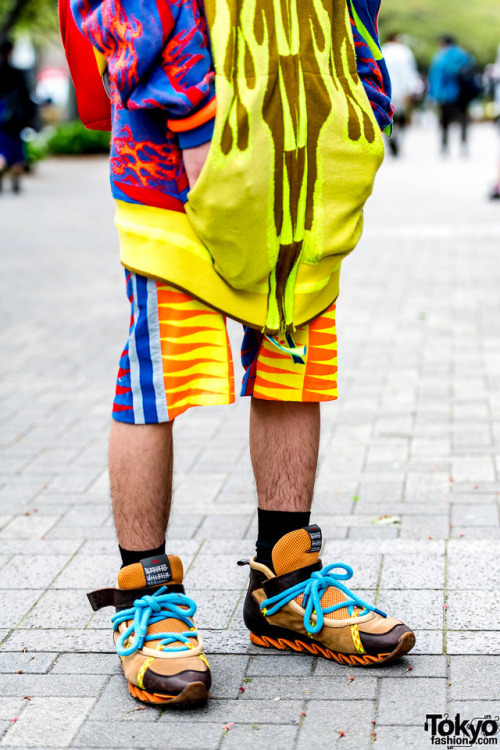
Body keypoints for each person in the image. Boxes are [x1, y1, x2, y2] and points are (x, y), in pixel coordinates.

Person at [72, 0, 415, 708]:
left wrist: (360, 90)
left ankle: (285, 580)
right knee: (159, 369)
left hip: (301, 149)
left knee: (297, 354)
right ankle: (147, 595)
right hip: (177, 155)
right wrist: (194, 112)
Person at [428, 34, 476, 155]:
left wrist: (433, 95)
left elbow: (435, 78)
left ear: (443, 43)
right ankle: (464, 144)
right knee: (463, 119)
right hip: (463, 94)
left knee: (445, 121)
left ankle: (444, 145)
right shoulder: (463, 54)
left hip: (446, 95)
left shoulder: (440, 57)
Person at [0, 36, 34, 194]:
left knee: (2, 148)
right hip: (14, 117)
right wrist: (30, 116)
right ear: (11, 50)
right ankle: (15, 179)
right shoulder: (17, 72)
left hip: (1, 114)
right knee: (16, 149)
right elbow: (26, 96)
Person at [382, 32, 423, 156]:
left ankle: (390, 138)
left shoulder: (381, 50)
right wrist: (414, 89)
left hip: (385, 90)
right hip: (402, 90)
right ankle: (398, 138)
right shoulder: (404, 51)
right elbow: (409, 72)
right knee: (402, 117)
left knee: (388, 117)